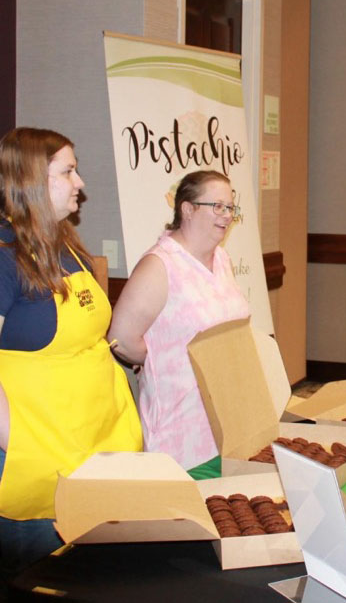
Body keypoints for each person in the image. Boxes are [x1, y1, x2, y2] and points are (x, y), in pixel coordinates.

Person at [0, 128, 142, 586]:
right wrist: (35, 455)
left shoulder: (59, 242)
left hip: (86, 441)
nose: (80, 182)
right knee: (44, 579)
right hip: (33, 452)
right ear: (28, 180)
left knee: (93, 577)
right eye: (67, 171)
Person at [109, 170, 249, 474]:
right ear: (187, 209)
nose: (227, 216)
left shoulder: (221, 260)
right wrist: (160, 358)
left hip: (229, 419)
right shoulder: (160, 265)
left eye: (231, 208)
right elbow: (120, 337)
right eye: (218, 206)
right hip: (182, 430)